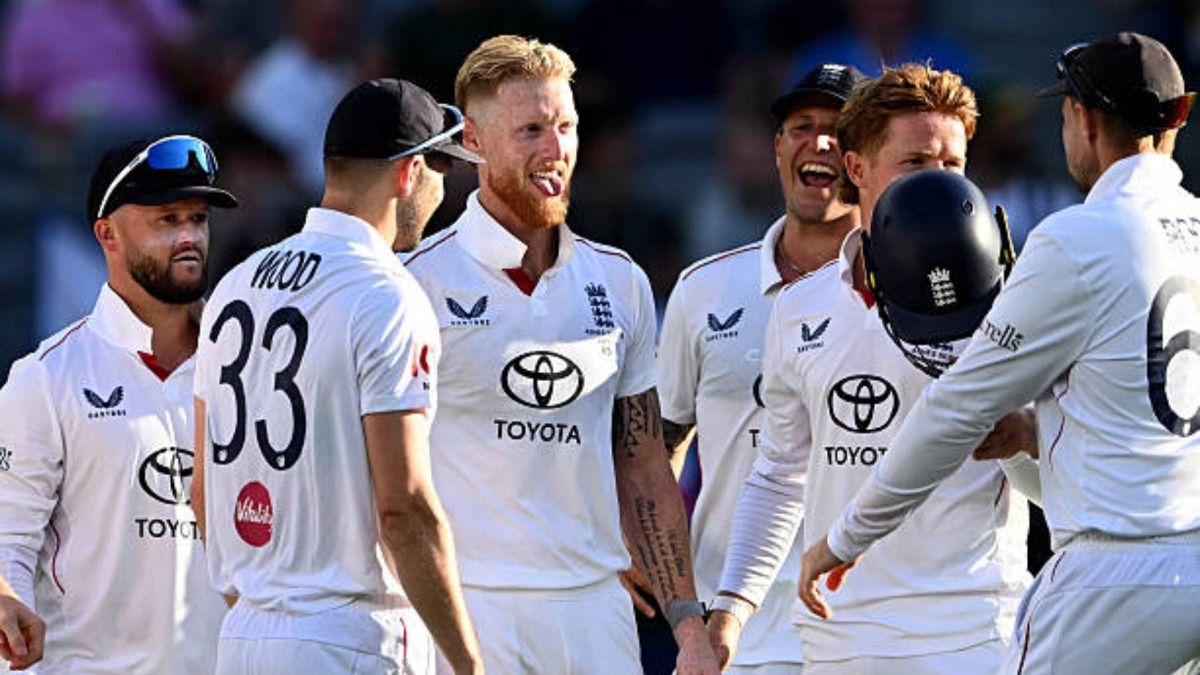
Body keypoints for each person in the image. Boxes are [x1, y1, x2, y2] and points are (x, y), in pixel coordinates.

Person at [800, 32, 1200, 675]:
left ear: (1083, 118)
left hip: (1110, 574)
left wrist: (843, 540)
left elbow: (955, 408)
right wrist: (1027, 434)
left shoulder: (1076, 239)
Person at [403, 35, 719, 675]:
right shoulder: (415, 283)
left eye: (566, 126)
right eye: (530, 130)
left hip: (594, 612)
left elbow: (645, 466)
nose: (556, 150)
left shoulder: (620, 280)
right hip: (468, 609)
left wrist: (687, 623)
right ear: (472, 141)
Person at [716, 63, 1034, 674]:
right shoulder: (797, 308)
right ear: (857, 168)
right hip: (841, 636)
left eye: (953, 166)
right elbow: (781, 473)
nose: (940, 186)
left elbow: (1062, 459)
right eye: (916, 164)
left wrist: (1026, 438)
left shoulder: (1015, 299)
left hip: (972, 632)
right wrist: (732, 606)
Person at [191, 79, 484, 674]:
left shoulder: (234, 284)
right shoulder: (387, 295)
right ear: (407, 173)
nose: (442, 189)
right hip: (350, 636)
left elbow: (202, 491)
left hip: (244, 633)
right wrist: (468, 664)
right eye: (440, 170)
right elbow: (403, 509)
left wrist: (271, 611)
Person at [0, 133, 238, 673]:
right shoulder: (44, 379)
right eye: (166, 219)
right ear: (107, 234)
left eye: (198, 219)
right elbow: (6, 536)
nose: (189, 237)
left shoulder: (246, 367)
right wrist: (8, 600)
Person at [657, 62, 865, 675]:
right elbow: (659, 451)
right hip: (732, 631)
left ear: (866, 158)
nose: (819, 142)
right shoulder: (704, 290)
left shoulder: (905, 297)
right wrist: (674, 591)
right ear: (777, 148)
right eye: (801, 126)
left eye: (840, 129)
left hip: (868, 617)